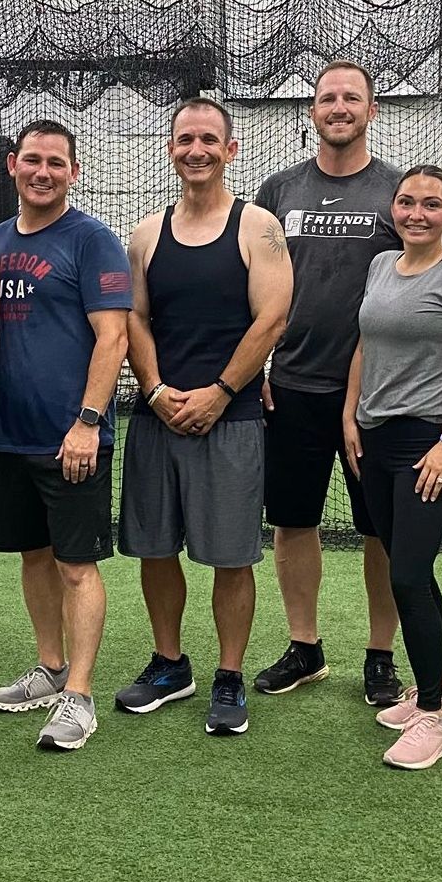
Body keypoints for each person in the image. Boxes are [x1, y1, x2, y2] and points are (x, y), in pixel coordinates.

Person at [115, 98, 293, 737]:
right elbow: (133, 319)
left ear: (229, 150)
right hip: (157, 418)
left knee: (229, 557)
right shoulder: (144, 234)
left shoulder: (258, 227)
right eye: (185, 138)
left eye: (208, 140)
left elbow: (271, 319)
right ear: (171, 148)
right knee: (154, 548)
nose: (196, 149)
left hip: (233, 417)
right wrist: (157, 389)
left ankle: (228, 676)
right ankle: (170, 665)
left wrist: (220, 391)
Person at [251, 61, 406, 705]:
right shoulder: (277, 190)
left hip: (380, 395)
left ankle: (380, 655)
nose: (338, 106)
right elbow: (250, 285)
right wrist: (254, 363)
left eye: (351, 97)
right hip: (291, 386)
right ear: (311, 111)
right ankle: (304, 645)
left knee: (382, 531)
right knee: (293, 522)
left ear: (371, 110)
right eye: (326, 97)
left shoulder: (401, 191)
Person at [0, 120, 132, 752]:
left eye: (57, 162)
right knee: (34, 556)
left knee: (76, 566)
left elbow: (113, 337)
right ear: (14, 166)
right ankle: (50, 670)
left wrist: (88, 422)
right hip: (13, 437)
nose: (43, 172)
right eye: (32, 160)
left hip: (73, 438)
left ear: (74, 171)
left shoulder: (94, 241)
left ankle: (81, 695)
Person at [343, 166, 442, 769]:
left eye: (432, 204)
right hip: (373, 439)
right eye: (406, 202)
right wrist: (351, 417)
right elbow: (363, 345)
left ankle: (433, 716)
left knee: (406, 573)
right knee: (406, 567)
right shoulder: (381, 266)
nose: (416, 213)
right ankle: (441, 689)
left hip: (426, 442)